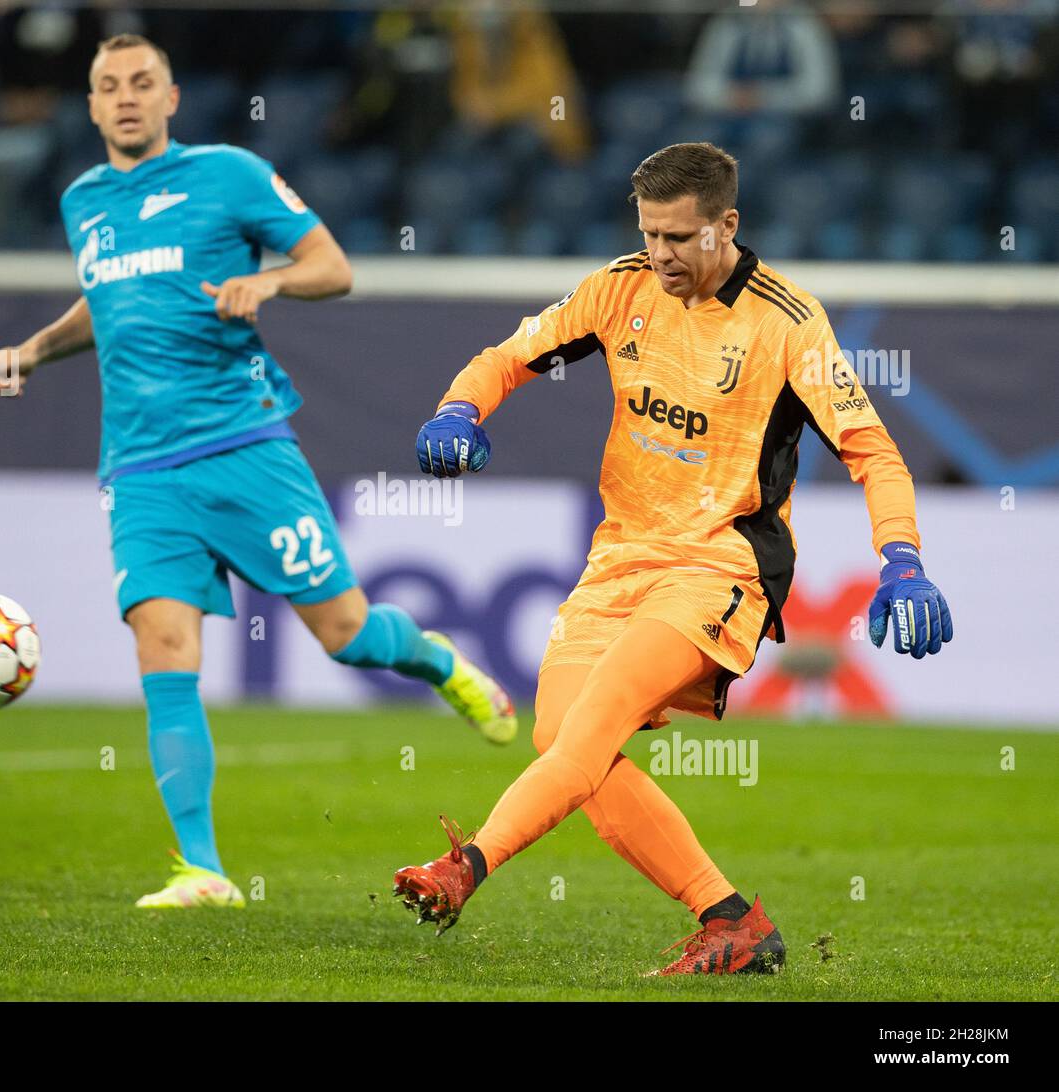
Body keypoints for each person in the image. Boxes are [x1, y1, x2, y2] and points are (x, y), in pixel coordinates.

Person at [0, 33, 516, 910]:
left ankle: (437, 662)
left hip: (244, 448)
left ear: (171, 98)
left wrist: (266, 285)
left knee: (345, 636)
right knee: (163, 646)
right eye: (108, 85)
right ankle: (202, 869)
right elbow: (109, 298)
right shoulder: (84, 201)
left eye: (142, 82)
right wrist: (37, 350)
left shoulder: (227, 174)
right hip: (142, 469)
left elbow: (332, 266)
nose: (125, 97)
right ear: (89, 106)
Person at [394, 141, 952, 975]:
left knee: (591, 724)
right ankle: (730, 920)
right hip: (620, 557)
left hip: (721, 565)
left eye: (681, 238)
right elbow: (508, 356)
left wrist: (901, 560)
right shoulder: (621, 290)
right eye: (651, 233)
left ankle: (465, 866)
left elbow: (872, 451)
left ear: (726, 226)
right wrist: (458, 410)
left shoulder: (786, 324)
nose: (662, 255)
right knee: (563, 739)